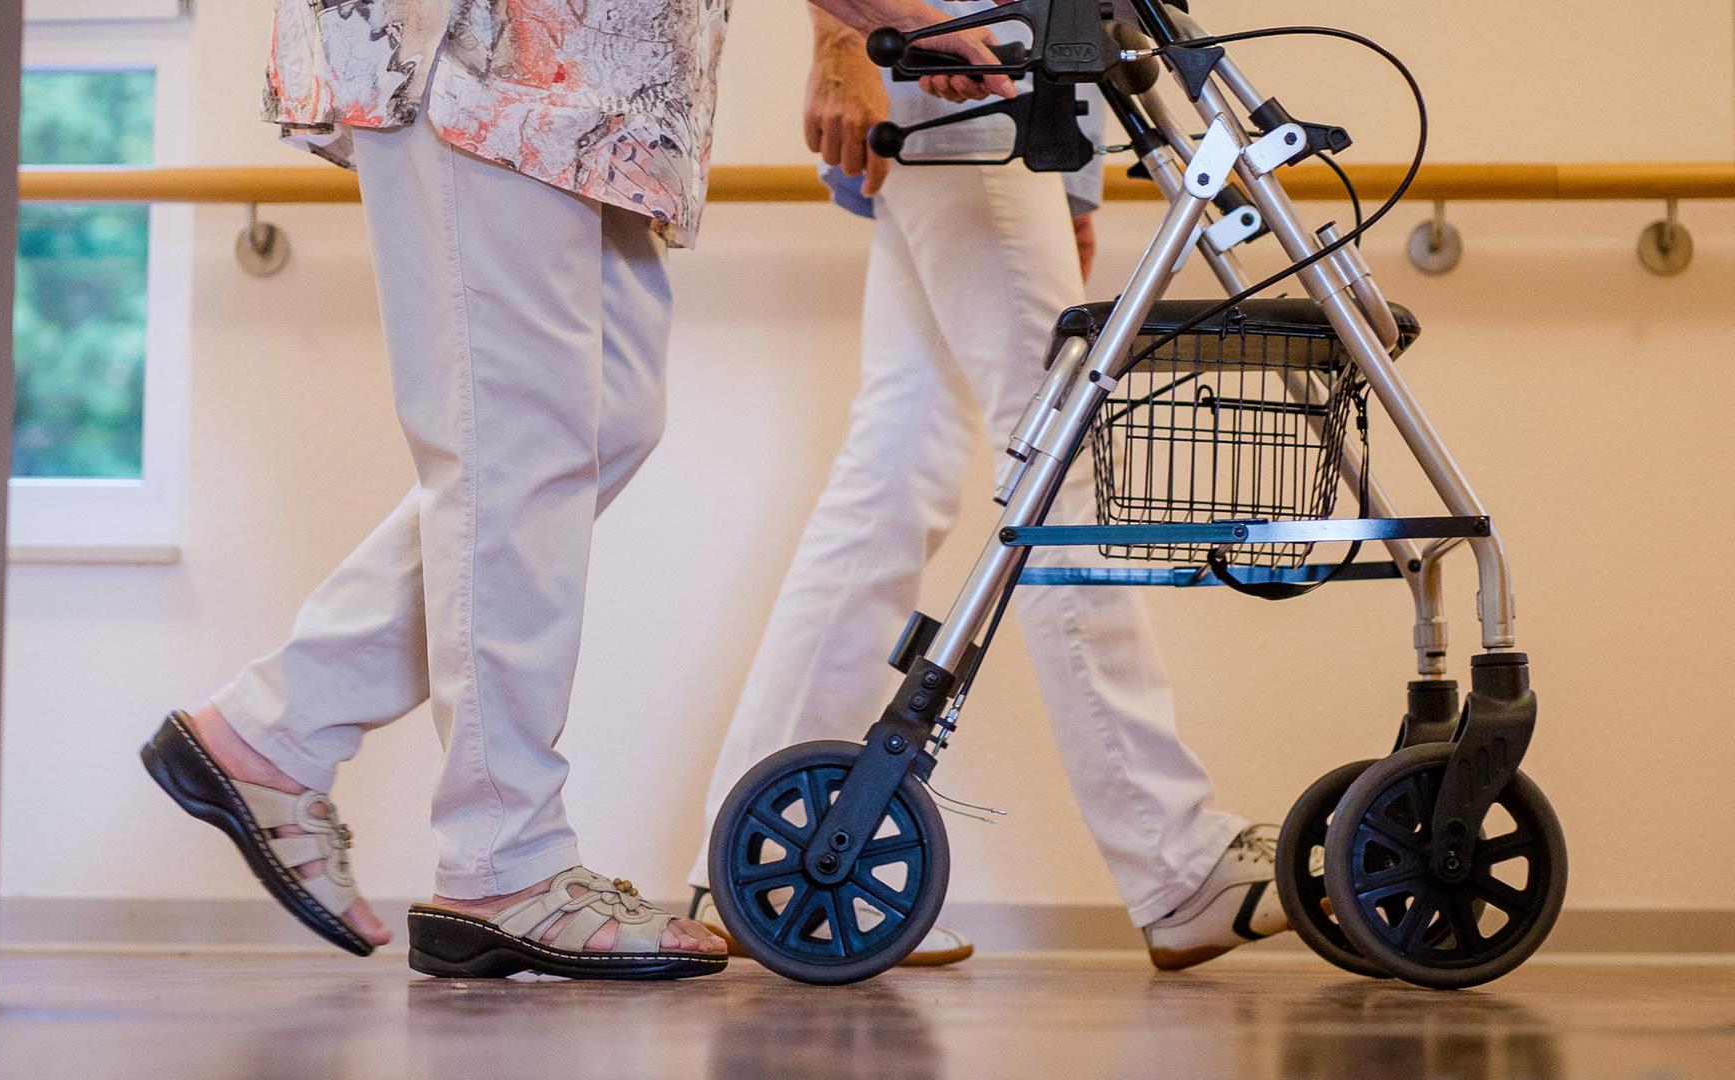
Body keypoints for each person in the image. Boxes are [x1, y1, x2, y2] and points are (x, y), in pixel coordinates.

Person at [139, 0, 1014, 981]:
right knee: (518, 443)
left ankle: (272, 729)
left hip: (603, 86)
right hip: (489, 53)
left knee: (601, 421)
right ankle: (503, 861)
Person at [686, 6, 1294, 971]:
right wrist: (841, 39)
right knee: (1057, 463)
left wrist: (1079, 176)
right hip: (965, 73)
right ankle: (1177, 864)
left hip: (1000, 86)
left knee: (897, 470)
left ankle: (769, 863)